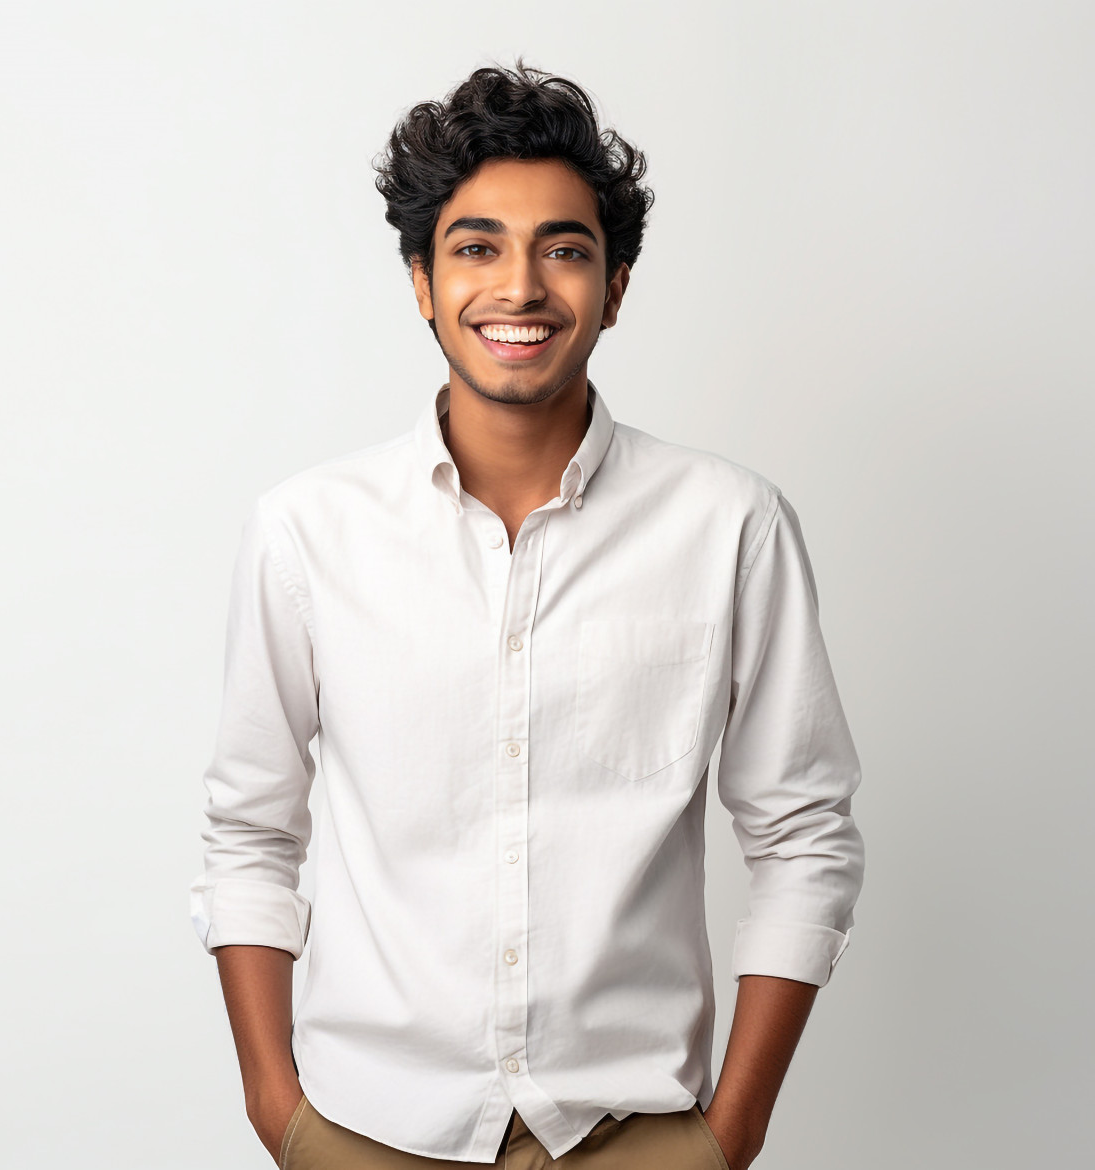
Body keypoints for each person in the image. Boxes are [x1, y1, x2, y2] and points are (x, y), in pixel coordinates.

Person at [190, 59, 865, 1170]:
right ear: (419, 280)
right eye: (474, 247)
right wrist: (280, 1114)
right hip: (367, 1132)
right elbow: (249, 832)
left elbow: (801, 832)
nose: (519, 287)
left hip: (638, 1135)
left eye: (562, 247)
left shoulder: (729, 526)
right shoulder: (306, 533)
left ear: (615, 282)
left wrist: (728, 1136)